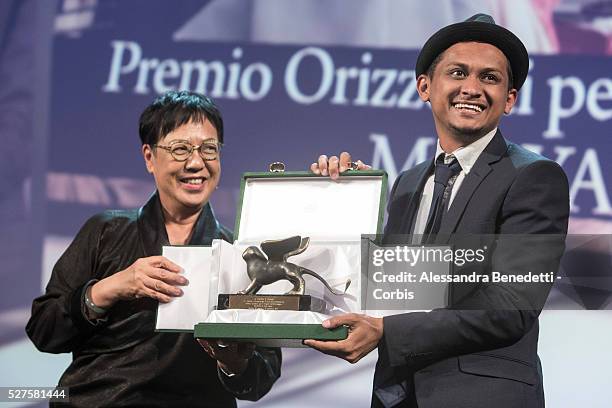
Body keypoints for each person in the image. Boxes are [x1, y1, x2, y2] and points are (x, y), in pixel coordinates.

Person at [306, 14, 569, 408]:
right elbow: (390, 289)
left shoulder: (534, 177)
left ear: (509, 99)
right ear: (425, 86)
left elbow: (510, 306)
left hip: (485, 396)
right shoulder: (407, 184)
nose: (472, 88)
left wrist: (386, 332)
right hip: (398, 394)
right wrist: (346, 201)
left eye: (490, 78)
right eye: (458, 72)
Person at [26, 91, 281, 407]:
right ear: (149, 157)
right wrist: (111, 288)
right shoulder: (105, 231)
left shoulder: (240, 255)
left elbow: (261, 379)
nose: (196, 163)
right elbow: (44, 330)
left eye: (209, 149)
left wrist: (234, 362)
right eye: (180, 149)